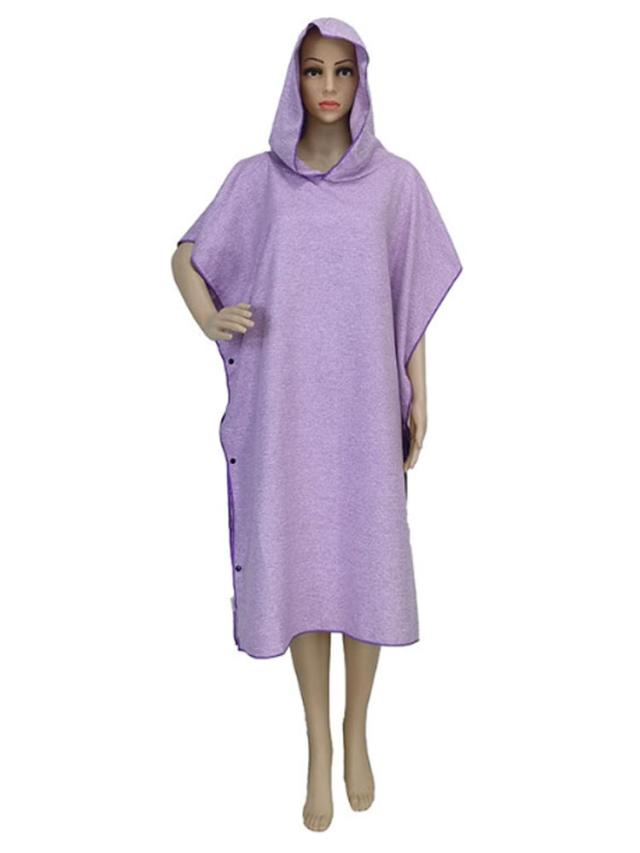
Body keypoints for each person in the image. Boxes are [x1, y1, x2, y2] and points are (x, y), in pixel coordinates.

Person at [171, 17, 462, 832]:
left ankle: (357, 728)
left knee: (365, 562)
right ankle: (317, 743)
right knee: (302, 564)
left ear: (361, 81)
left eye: (342, 71)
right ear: (293, 80)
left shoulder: (397, 184)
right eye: (313, 71)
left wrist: (419, 393)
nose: (328, 87)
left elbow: (409, 294)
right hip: (287, 405)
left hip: (364, 406)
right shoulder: (257, 182)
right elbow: (186, 256)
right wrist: (207, 316)